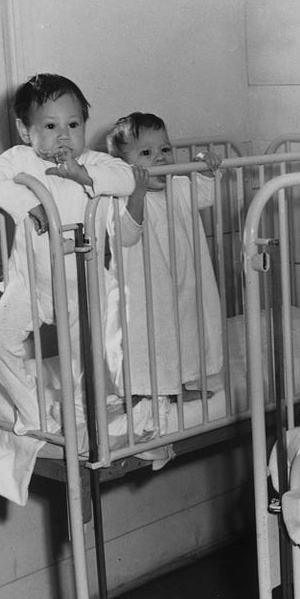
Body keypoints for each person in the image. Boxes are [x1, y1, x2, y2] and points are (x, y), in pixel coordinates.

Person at [0, 73, 135, 434]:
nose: (64, 135)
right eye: (50, 125)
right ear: (24, 129)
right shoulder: (19, 159)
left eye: (73, 124)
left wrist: (84, 174)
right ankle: (33, 412)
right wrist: (29, 203)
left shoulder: (93, 161)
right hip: (30, 282)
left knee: (83, 358)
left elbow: (127, 178)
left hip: (82, 283)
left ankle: (78, 417)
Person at [105, 112, 224, 404]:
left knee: (181, 333)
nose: (160, 158)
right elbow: (126, 234)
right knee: (143, 340)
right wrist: (137, 194)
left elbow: (207, 195)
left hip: (182, 282)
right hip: (144, 291)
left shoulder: (180, 185)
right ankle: (136, 391)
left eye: (165, 149)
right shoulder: (120, 198)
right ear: (124, 166)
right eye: (146, 153)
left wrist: (206, 168)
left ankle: (177, 387)